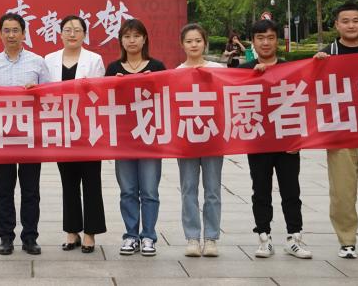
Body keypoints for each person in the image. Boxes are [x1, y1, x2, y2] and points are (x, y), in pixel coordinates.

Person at [312, 2, 358, 259]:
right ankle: (346, 241)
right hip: (340, 133)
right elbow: (311, 90)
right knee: (342, 192)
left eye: (356, 20)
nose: (351, 25)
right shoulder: (326, 55)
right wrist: (316, 65)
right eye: (345, 21)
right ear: (336, 25)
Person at [0, 12, 51, 255]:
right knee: (3, 191)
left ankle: (30, 237)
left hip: (31, 135)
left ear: (24, 34)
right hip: (2, 136)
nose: (11, 35)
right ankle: (6, 237)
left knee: (31, 191)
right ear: (0, 34)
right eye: (6, 30)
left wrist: (38, 90)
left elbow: (50, 96)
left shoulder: (37, 62)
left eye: (15, 30)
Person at [239, 18, 311, 260]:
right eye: (260, 38)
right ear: (252, 41)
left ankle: (294, 238)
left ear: (277, 40)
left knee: (291, 190)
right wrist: (252, 77)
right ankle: (264, 237)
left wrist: (299, 138)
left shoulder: (291, 68)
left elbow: (304, 102)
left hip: (287, 139)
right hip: (258, 140)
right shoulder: (243, 70)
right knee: (260, 190)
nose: (266, 43)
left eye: (270, 38)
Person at [43, 15, 106, 254]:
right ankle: (72, 231)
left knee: (91, 181)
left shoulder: (94, 59)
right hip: (62, 130)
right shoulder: (49, 60)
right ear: (60, 34)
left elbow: (101, 93)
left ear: (84, 34)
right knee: (68, 181)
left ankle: (90, 233)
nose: (72, 34)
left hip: (89, 130)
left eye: (77, 30)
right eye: (67, 30)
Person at [106, 18, 166, 257]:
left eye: (136, 36)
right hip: (124, 138)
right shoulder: (113, 68)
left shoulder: (157, 67)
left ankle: (148, 236)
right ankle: (131, 235)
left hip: (150, 138)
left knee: (150, 190)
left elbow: (168, 98)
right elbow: (104, 101)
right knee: (128, 190)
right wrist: (115, 86)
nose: (132, 41)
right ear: (121, 40)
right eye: (127, 36)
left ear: (144, 39)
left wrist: (153, 83)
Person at [175, 23, 224, 258]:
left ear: (205, 42)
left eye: (198, 40)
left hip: (213, 137)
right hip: (187, 139)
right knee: (188, 189)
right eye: (189, 41)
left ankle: (211, 238)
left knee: (213, 189)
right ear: (182, 45)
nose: (193, 45)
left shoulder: (218, 69)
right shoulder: (176, 72)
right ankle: (192, 237)